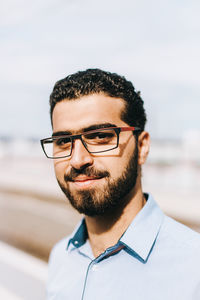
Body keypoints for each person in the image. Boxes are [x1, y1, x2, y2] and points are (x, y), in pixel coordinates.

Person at [41, 69, 200, 300]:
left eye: (100, 136)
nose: (77, 160)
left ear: (142, 147)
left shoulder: (193, 265)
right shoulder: (62, 258)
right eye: (63, 141)